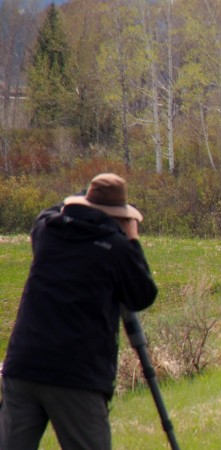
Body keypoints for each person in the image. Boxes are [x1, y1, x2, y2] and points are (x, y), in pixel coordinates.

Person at [0, 173, 158, 450]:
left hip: (23, 365)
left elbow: (51, 211)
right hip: (77, 375)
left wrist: (84, 198)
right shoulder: (117, 249)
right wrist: (132, 239)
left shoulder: (49, 231)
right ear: (119, 216)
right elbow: (142, 295)